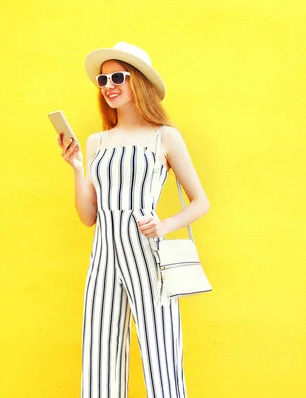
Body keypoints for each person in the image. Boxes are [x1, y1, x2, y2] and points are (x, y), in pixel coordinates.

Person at [57, 42, 209, 398]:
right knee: (99, 356)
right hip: (103, 257)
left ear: (137, 81)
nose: (108, 85)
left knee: (161, 353)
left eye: (117, 77)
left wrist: (165, 226)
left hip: (147, 253)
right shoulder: (96, 142)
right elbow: (88, 217)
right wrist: (77, 168)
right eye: (102, 79)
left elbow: (200, 201)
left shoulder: (164, 136)